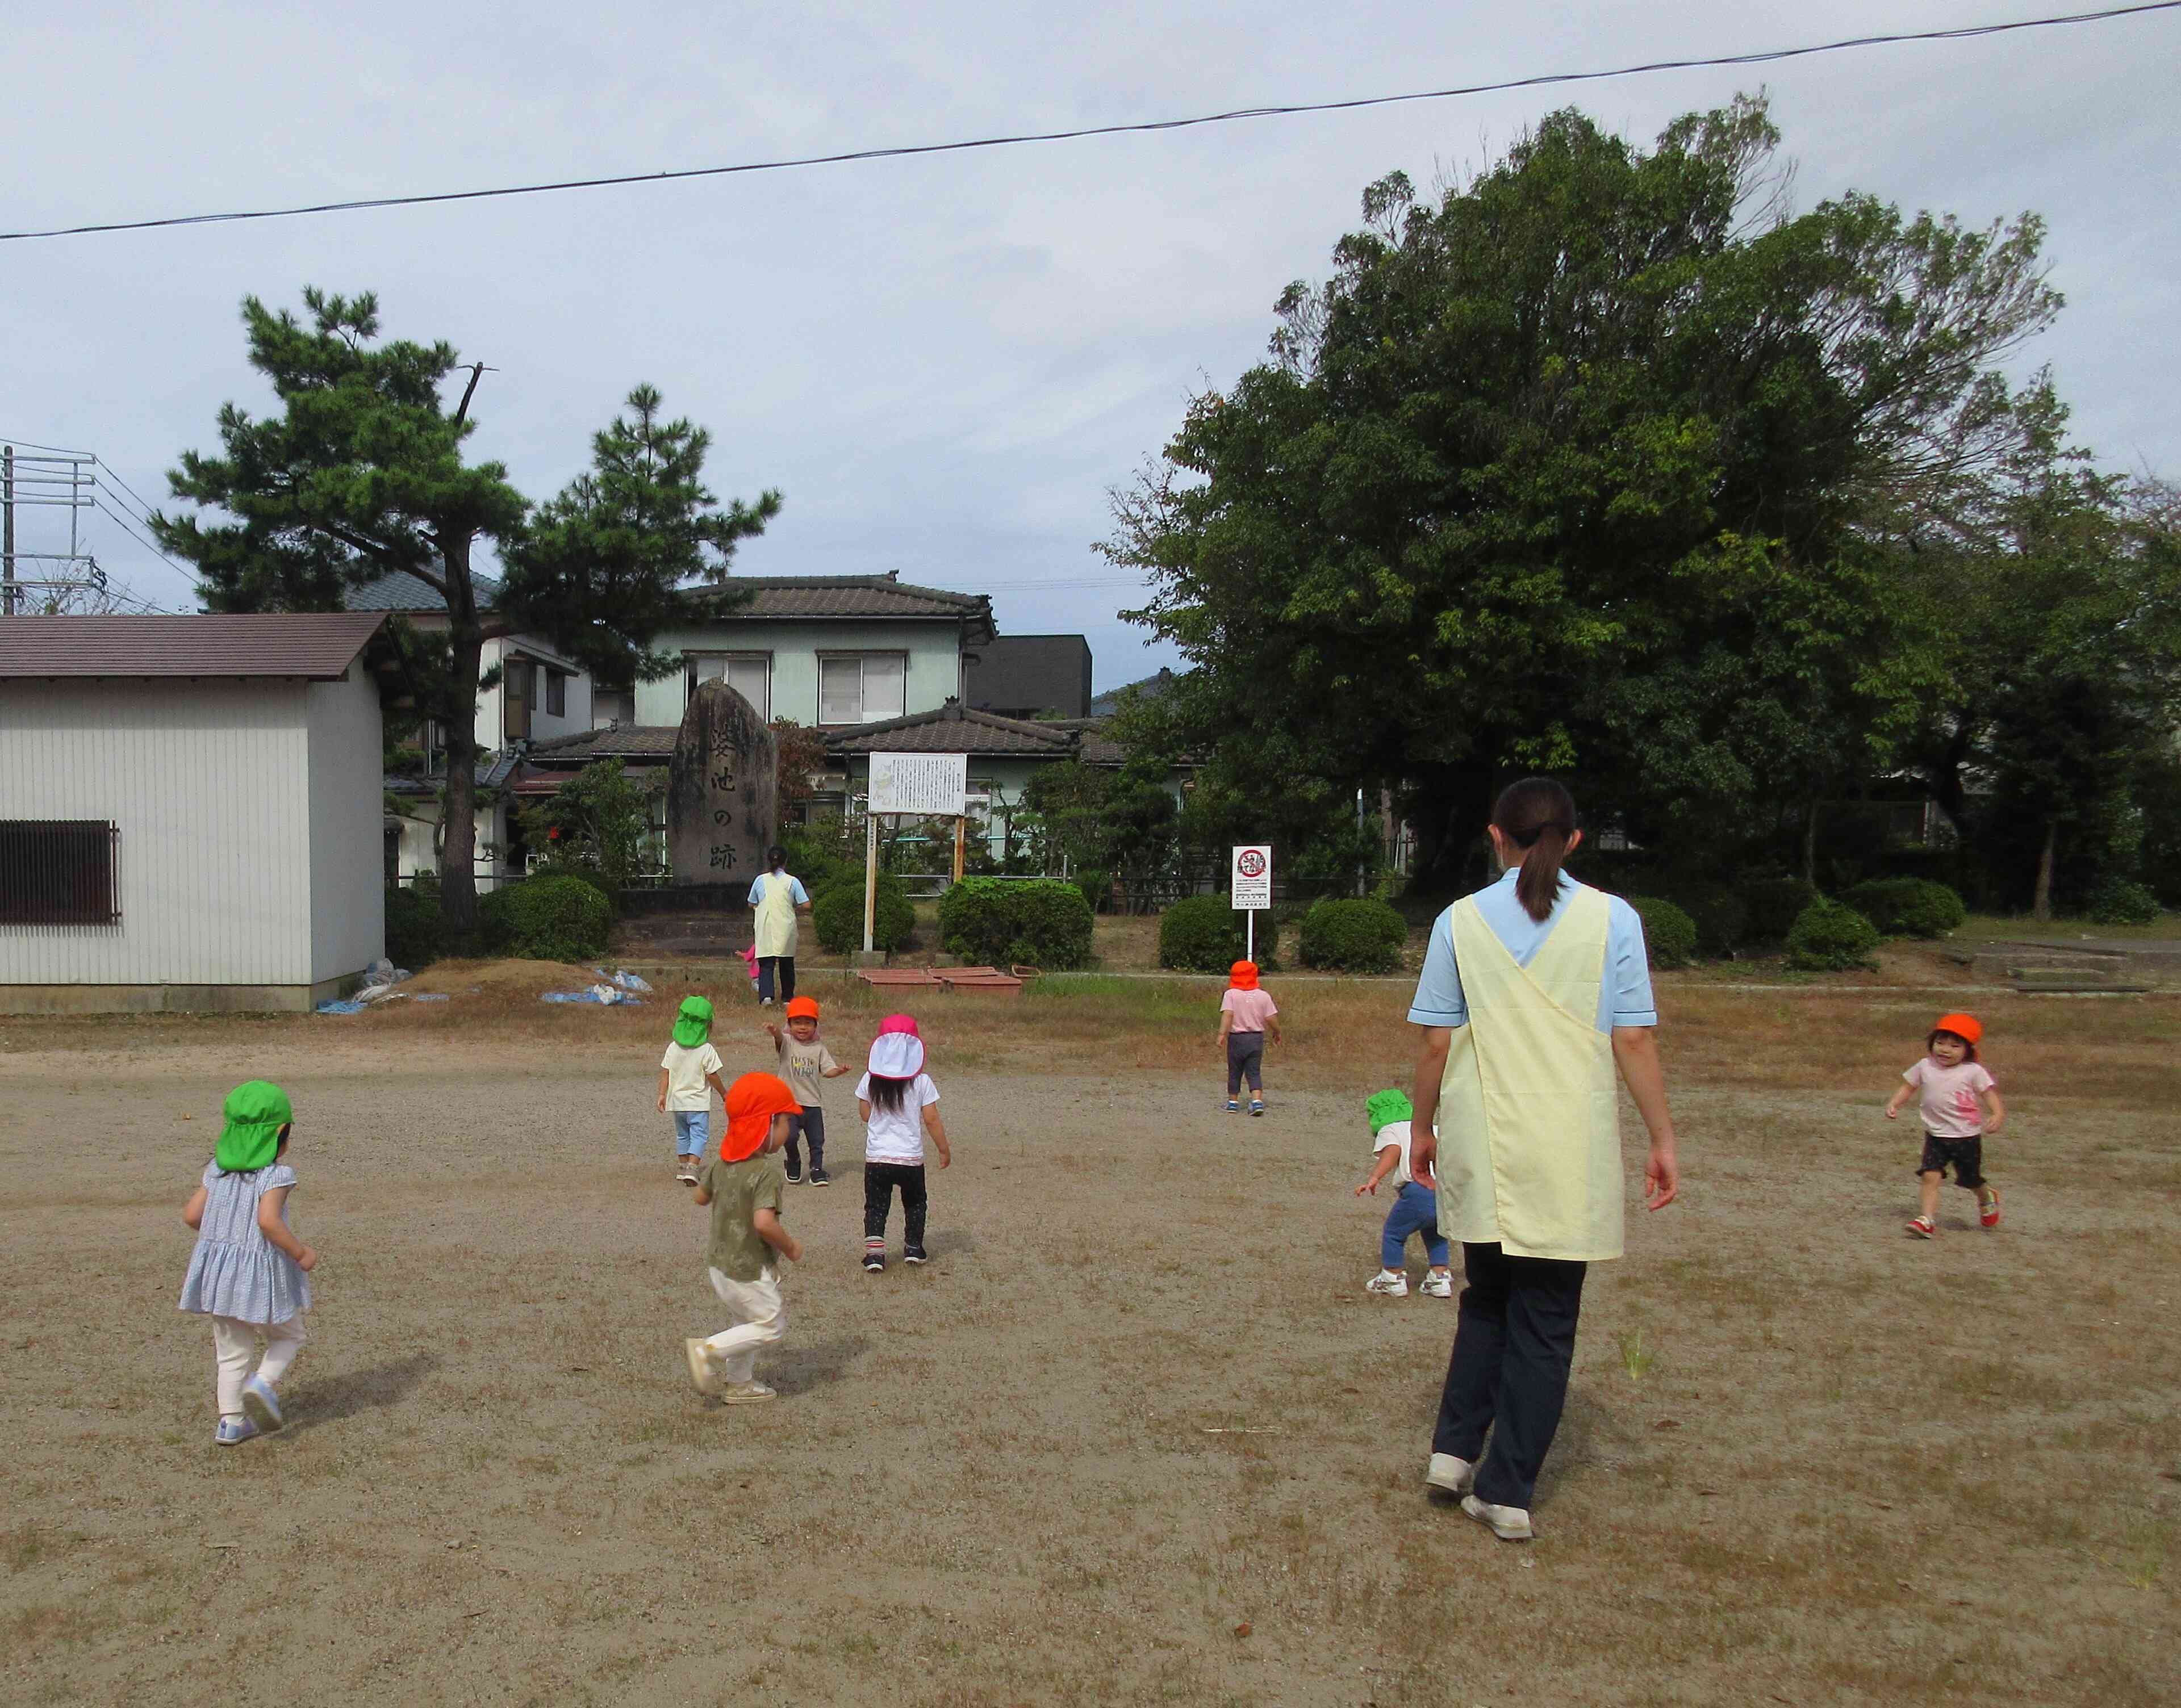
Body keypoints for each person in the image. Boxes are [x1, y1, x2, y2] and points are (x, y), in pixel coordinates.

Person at [1407, 777, 1680, 1544]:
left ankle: (1453, 1453)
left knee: (1488, 1298)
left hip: (1483, 1140)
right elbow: (1635, 1039)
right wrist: (1662, 1139)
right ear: (1575, 840)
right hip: (1568, 1147)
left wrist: (1419, 1129)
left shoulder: (1459, 921)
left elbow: (1436, 1041)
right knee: (1546, 1318)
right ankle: (1505, 1487)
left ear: (1495, 835)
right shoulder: (1613, 920)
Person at [177, 1081, 320, 1445]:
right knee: (290, 1335)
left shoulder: (215, 1171)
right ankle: (262, 1384)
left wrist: (223, 1242)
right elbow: (269, 1222)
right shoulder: (276, 1176)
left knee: (231, 1352)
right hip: (259, 1277)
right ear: (279, 1135)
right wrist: (300, 1253)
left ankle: (231, 1423)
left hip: (221, 1279)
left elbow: (192, 1216)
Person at [687, 1072, 805, 1404]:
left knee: (746, 1321)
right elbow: (764, 1223)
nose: (790, 1130)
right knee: (771, 1325)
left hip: (720, 1264)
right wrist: (791, 1247)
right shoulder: (766, 1172)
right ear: (766, 1125)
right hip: (747, 1266)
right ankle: (707, 1350)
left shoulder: (722, 1164)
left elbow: (699, 1197)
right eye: (785, 1122)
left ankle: (740, 1384)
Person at [1886, 1012, 2005, 1238]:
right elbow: (1908, 1087)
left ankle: (1986, 1196)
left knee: (1970, 1179)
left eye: (1954, 1045)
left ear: (1968, 1050)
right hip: (1936, 1135)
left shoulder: (1973, 1071)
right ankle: (1927, 1220)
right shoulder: (1925, 1066)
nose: (1945, 1050)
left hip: (1966, 1136)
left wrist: (1997, 1114)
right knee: (1930, 1175)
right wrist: (1894, 1104)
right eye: (1939, 1043)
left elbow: (1988, 1094)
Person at [858, 1019, 951, 1272]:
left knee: (877, 1206)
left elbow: (865, 1115)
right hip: (910, 1159)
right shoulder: (922, 1082)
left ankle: (875, 1255)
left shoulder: (869, 1079)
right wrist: (943, 1149)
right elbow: (931, 1119)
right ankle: (913, 1248)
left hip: (877, 1158)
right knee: (915, 1203)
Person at [1355, 1088, 1453, 1299]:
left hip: (1417, 1189)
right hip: (1442, 1191)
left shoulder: (1391, 1130)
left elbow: (1393, 1152)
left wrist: (1374, 1179)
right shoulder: (1431, 1128)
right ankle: (1440, 1278)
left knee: (1394, 1232)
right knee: (1437, 1233)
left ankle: (1392, 1278)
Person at [764, 995, 850, 1186]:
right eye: (797, 1023)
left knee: (817, 1140)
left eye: (808, 1023)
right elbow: (779, 1038)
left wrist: (840, 1071)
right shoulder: (787, 1042)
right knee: (789, 1136)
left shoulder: (819, 1048)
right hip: (788, 1104)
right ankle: (793, 1161)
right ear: (790, 1024)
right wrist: (775, 1031)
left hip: (812, 1104)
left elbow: (828, 1071)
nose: (802, 1027)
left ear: (815, 1025)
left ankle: (816, 1169)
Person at [657, 996, 729, 1185]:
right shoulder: (706, 1049)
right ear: (708, 1025)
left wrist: (662, 1095)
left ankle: (682, 1167)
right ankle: (693, 1167)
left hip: (677, 1103)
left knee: (683, 1134)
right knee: (699, 1135)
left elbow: (665, 1072)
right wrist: (724, 1093)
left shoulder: (673, 1047)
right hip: (697, 1103)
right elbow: (712, 1075)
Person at [747, 847, 812, 1007]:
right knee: (786, 962)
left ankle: (766, 997)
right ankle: (787, 998)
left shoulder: (760, 880)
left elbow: (751, 902)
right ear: (786, 861)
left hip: (766, 924)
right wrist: (792, 907)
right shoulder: (792, 881)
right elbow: (806, 904)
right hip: (785, 925)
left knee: (766, 963)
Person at [1216, 960, 1281, 1115]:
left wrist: (1222, 1034)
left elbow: (1228, 1014)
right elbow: (1271, 1017)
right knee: (1254, 1071)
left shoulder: (1231, 994)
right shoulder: (1263, 996)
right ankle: (1257, 1102)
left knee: (1235, 1070)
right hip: (1256, 1038)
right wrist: (1277, 1031)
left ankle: (1233, 1102)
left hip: (1237, 1039)